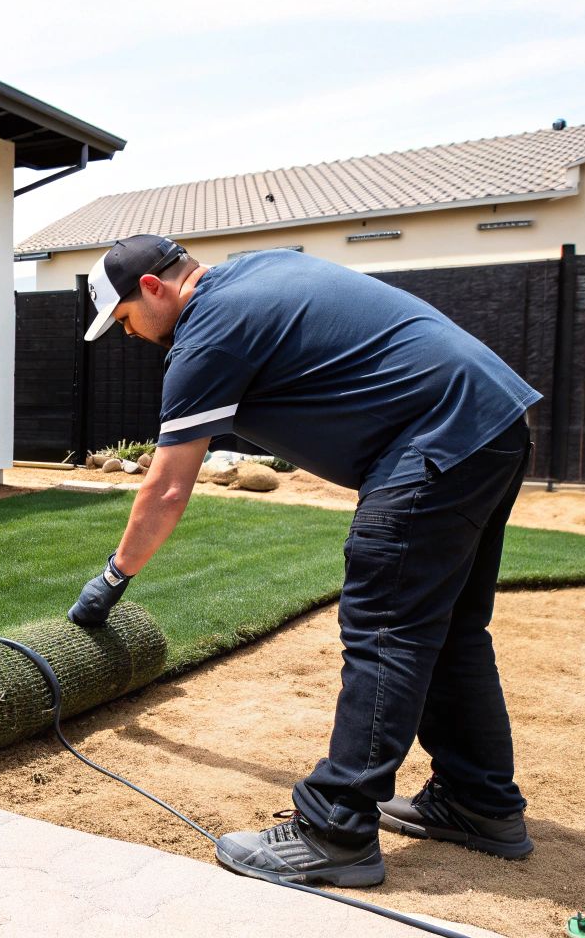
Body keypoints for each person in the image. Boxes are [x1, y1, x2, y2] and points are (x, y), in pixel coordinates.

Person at [66, 234, 541, 888]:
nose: (132, 336)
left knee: (384, 627)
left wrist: (112, 579)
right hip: (492, 423)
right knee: (451, 629)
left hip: (434, 440)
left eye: (124, 321)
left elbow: (168, 488)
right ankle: (478, 803)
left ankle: (336, 830)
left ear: (152, 289)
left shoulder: (206, 334)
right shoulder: (261, 272)